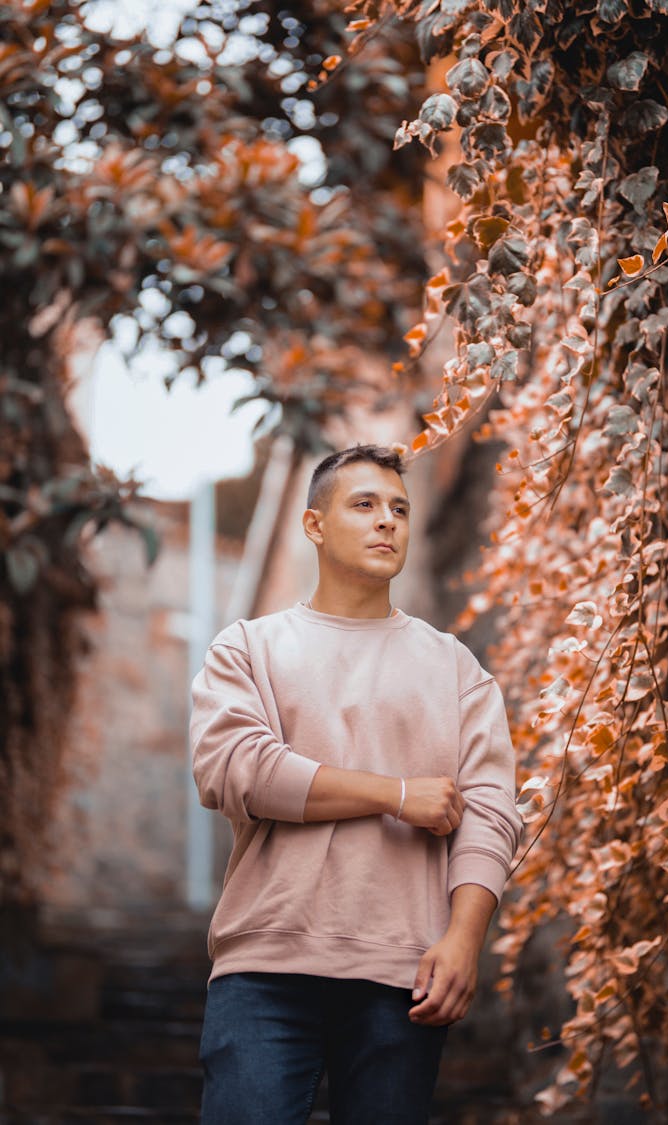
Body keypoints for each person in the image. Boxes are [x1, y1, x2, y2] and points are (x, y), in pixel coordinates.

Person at [190, 443, 522, 1124]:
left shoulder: (455, 667)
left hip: (404, 974)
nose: (387, 522)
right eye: (364, 504)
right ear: (314, 525)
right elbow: (237, 768)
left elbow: (491, 810)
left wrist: (463, 938)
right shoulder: (249, 647)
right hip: (266, 963)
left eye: (399, 507)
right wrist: (395, 794)